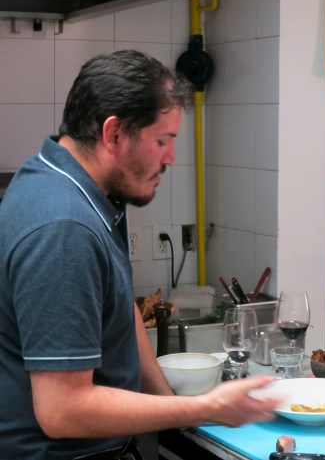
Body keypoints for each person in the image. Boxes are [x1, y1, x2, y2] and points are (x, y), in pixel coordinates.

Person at [0, 50, 279, 460]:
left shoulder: (76, 181)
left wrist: (168, 403)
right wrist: (206, 407)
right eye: (162, 141)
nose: (171, 158)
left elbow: (120, 309)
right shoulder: (65, 230)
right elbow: (62, 410)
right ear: (113, 134)